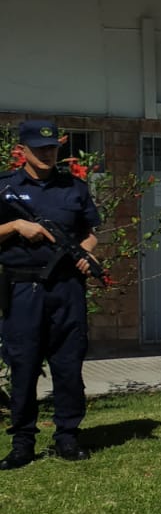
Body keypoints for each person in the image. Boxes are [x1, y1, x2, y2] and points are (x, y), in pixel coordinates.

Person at [0, 120, 101, 470]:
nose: (47, 154)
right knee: (24, 364)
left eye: (52, 148)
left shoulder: (73, 188)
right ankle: (22, 442)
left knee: (68, 363)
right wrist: (14, 226)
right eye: (39, 149)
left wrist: (87, 254)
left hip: (66, 288)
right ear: (22, 151)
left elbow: (90, 234)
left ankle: (67, 437)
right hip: (22, 288)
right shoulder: (6, 187)